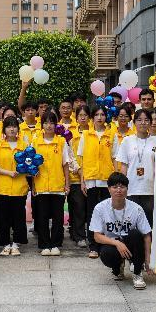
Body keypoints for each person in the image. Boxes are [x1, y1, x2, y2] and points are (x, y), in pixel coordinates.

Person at [89, 172, 153, 290]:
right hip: (112, 244)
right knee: (107, 253)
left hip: (130, 243)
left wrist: (148, 259)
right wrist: (117, 243)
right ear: (109, 189)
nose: (119, 190)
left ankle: (137, 273)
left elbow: (146, 235)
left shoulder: (136, 209)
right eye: (115, 187)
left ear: (127, 189)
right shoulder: (100, 208)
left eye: (122, 187)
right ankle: (118, 268)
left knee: (135, 234)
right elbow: (97, 236)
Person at [78, 105, 116, 259]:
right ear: (92, 118)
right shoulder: (86, 135)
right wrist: (82, 181)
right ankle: (93, 246)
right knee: (92, 213)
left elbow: (115, 157)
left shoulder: (111, 135)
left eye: (102, 114)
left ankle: (106, 244)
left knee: (108, 213)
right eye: (97, 115)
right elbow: (81, 159)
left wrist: (115, 180)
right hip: (91, 179)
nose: (100, 117)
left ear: (106, 117)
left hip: (107, 179)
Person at [31, 111, 71, 256]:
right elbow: (32, 166)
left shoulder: (61, 142)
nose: (49, 126)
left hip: (57, 185)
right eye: (46, 123)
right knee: (41, 217)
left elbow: (65, 164)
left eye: (52, 123)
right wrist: (33, 185)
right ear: (42, 125)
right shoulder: (35, 142)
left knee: (57, 217)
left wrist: (67, 184)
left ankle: (55, 244)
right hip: (41, 185)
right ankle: (44, 244)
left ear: (56, 125)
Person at [116, 109, 156, 227]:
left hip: (150, 189)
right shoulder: (127, 141)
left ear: (150, 122)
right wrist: (122, 186)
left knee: (148, 223)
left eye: (146, 120)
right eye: (139, 120)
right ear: (134, 122)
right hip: (132, 188)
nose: (143, 123)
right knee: (131, 223)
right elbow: (124, 166)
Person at [67, 105, 89, 247]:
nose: (83, 118)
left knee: (88, 208)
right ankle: (79, 236)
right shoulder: (70, 134)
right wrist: (78, 169)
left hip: (91, 176)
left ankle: (86, 234)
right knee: (77, 208)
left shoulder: (92, 133)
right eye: (80, 115)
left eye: (85, 115)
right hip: (75, 177)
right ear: (76, 117)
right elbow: (69, 155)